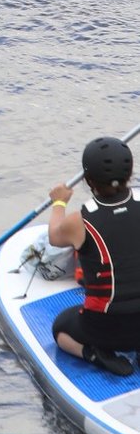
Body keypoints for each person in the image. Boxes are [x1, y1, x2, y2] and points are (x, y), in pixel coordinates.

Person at [47, 136, 140, 377]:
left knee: (60, 328)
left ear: (89, 180)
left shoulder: (80, 221)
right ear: (130, 174)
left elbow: (55, 237)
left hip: (105, 330)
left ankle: (94, 354)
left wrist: (59, 201)